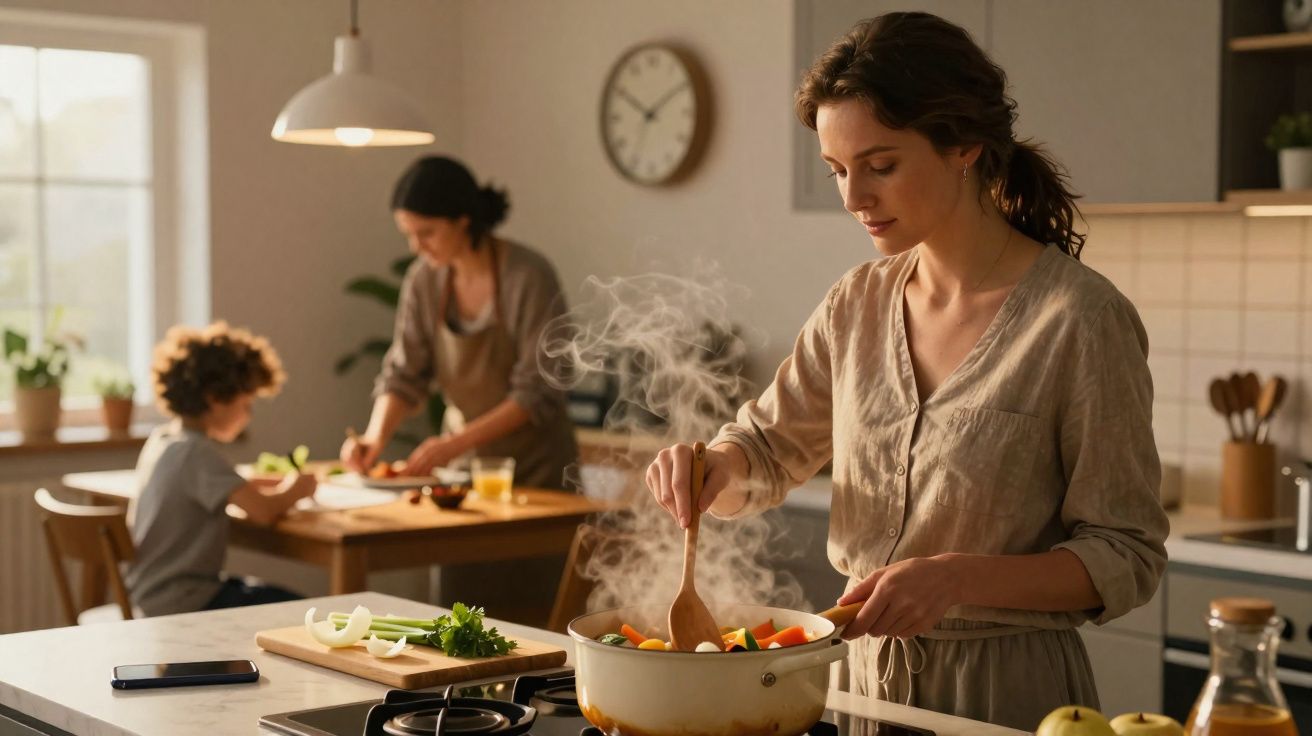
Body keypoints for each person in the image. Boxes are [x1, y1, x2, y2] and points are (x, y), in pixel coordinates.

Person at [645, 12, 1168, 730]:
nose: (854, 197)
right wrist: (715, 468)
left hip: (1009, 697)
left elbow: (1126, 553)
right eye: (837, 171)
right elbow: (766, 450)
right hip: (861, 689)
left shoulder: (1079, 319)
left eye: (880, 165)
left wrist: (957, 579)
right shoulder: (856, 303)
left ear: (964, 146)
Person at [339, 156, 578, 491]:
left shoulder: (527, 277)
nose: (416, 246)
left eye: (427, 233)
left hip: (538, 471)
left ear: (463, 221)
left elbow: (536, 391)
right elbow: (404, 373)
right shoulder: (423, 281)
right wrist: (374, 438)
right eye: (409, 234)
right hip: (464, 471)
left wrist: (453, 444)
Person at [125, 322, 316, 616]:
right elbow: (263, 511)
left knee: (267, 595)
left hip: (150, 594)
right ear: (215, 399)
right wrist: (297, 489)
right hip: (184, 602)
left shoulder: (165, 440)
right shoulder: (196, 452)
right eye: (246, 403)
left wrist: (262, 483)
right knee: (302, 611)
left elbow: (229, 487)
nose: (249, 415)